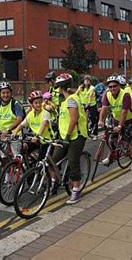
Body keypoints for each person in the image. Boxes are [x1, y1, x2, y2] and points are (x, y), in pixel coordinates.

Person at [52, 73, 88, 204]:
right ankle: (56, 181)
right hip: (64, 136)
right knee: (53, 159)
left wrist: (67, 136)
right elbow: (64, 119)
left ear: (61, 89)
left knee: (73, 161)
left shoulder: (72, 99)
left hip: (76, 136)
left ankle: (77, 190)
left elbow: (74, 119)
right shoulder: (64, 102)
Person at [98, 75, 132, 171]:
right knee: (111, 139)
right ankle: (110, 157)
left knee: (130, 141)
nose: (112, 88)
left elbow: (124, 111)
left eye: (115, 86)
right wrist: (100, 120)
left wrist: (120, 125)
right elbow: (104, 108)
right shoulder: (107, 94)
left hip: (128, 120)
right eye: (110, 87)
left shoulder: (125, 95)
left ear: (119, 86)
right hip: (115, 119)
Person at [12, 90, 53, 164]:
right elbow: (22, 124)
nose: (38, 105)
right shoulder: (30, 114)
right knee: (23, 148)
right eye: (36, 103)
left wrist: (37, 136)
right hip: (36, 140)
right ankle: (29, 166)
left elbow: (43, 126)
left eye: (40, 102)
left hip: (46, 140)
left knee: (41, 161)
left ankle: (41, 171)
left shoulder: (46, 113)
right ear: (32, 104)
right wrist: (15, 131)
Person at [76, 75, 98, 140]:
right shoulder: (80, 87)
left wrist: (88, 102)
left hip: (91, 104)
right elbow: (76, 94)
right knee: (80, 117)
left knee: (94, 119)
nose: (86, 81)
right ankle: (82, 132)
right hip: (83, 104)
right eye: (85, 80)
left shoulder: (92, 88)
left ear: (90, 81)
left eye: (88, 80)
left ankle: (95, 134)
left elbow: (90, 96)